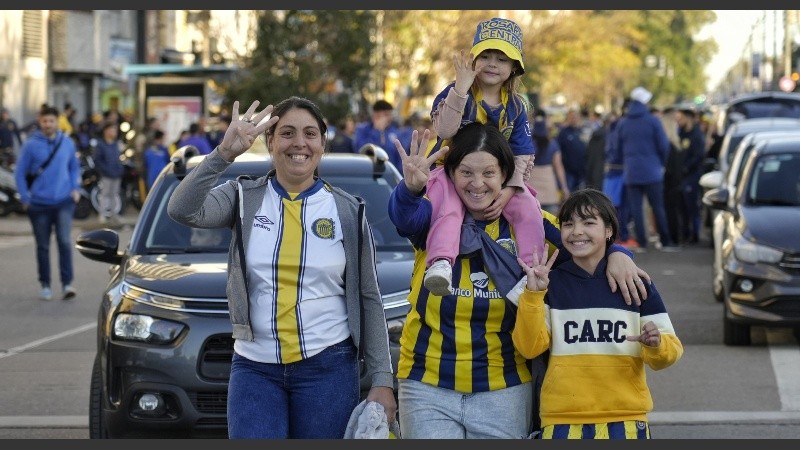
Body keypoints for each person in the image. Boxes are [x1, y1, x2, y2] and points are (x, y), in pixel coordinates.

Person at [388, 123, 652, 439]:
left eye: (489, 173)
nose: (477, 184)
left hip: (505, 386)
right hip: (426, 384)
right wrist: (411, 189)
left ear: (506, 175)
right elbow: (405, 218)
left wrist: (618, 253)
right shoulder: (435, 214)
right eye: (466, 173)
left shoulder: (530, 220)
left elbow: (581, 241)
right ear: (451, 173)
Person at [167, 97, 396, 439]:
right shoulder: (243, 196)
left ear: (322, 143)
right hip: (254, 369)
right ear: (271, 142)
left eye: (310, 133)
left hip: (329, 367)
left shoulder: (347, 210)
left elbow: (368, 297)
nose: (299, 143)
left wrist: (382, 379)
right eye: (287, 133)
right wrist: (223, 154)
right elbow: (182, 210)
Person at [512, 188, 684, 439]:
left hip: (625, 417)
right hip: (561, 419)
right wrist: (533, 296)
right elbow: (529, 347)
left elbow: (670, 353)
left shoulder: (636, 283)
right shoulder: (551, 283)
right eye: (568, 224)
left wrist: (656, 344)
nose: (577, 231)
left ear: (609, 231)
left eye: (589, 223)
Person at [423, 17, 543, 297]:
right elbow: (445, 129)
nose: (492, 63)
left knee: (528, 208)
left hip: (499, 181)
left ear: (514, 67)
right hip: (449, 173)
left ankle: (531, 270)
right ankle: (440, 262)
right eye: (485, 56)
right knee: (449, 209)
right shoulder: (454, 92)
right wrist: (460, 90)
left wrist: (510, 189)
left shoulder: (516, 106)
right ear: (473, 60)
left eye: (502, 59)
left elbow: (523, 152)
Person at [13, 105, 81, 301]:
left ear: (57, 121)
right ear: (39, 121)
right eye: (45, 121)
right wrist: (25, 198)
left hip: (63, 202)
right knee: (42, 246)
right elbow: (19, 173)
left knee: (65, 242)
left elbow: (74, 167)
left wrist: (75, 188)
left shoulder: (67, 142)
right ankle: (45, 284)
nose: (48, 124)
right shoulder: (31, 145)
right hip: (38, 204)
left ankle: (67, 283)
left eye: (51, 121)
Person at [611, 86, 679, 252]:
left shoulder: (623, 123)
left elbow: (616, 148)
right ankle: (665, 241)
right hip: (653, 171)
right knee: (658, 206)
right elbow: (664, 145)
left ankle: (642, 242)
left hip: (631, 171)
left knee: (636, 209)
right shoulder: (653, 121)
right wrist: (660, 164)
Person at [529, 109, 569, 215]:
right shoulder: (553, 144)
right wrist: (564, 187)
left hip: (531, 182)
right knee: (551, 218)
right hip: (548, 182)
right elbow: (559, 167)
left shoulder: (528, 144)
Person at [353, 100, 407, 173]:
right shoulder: (362, 130)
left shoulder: (395, 132)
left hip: (390, 176)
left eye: (390, 115)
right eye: (386, 115)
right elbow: (362, 150)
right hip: (367, 174)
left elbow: (401, 157)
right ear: (376, 115)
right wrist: (377, 131)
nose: (390, 118)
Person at [93, 120, 125, 224]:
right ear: (105, 131)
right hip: (106, 174)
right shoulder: (101, 144)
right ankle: (102, 215)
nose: (114, 132)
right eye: (112, 129)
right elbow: (97, 160)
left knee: (114, 194)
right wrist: (104, 170)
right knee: (105, 194)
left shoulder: (116, 144)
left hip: (116, 173)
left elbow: (119, 159)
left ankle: (114, 214)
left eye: (115, 129)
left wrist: (120, 169)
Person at [556, 108, 588, 192]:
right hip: (568, 172)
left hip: (582, 172)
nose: (574, 119)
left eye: (575, 117)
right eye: (571, 117)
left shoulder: (583, 132)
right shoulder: (563, 133)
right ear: (568, 118)